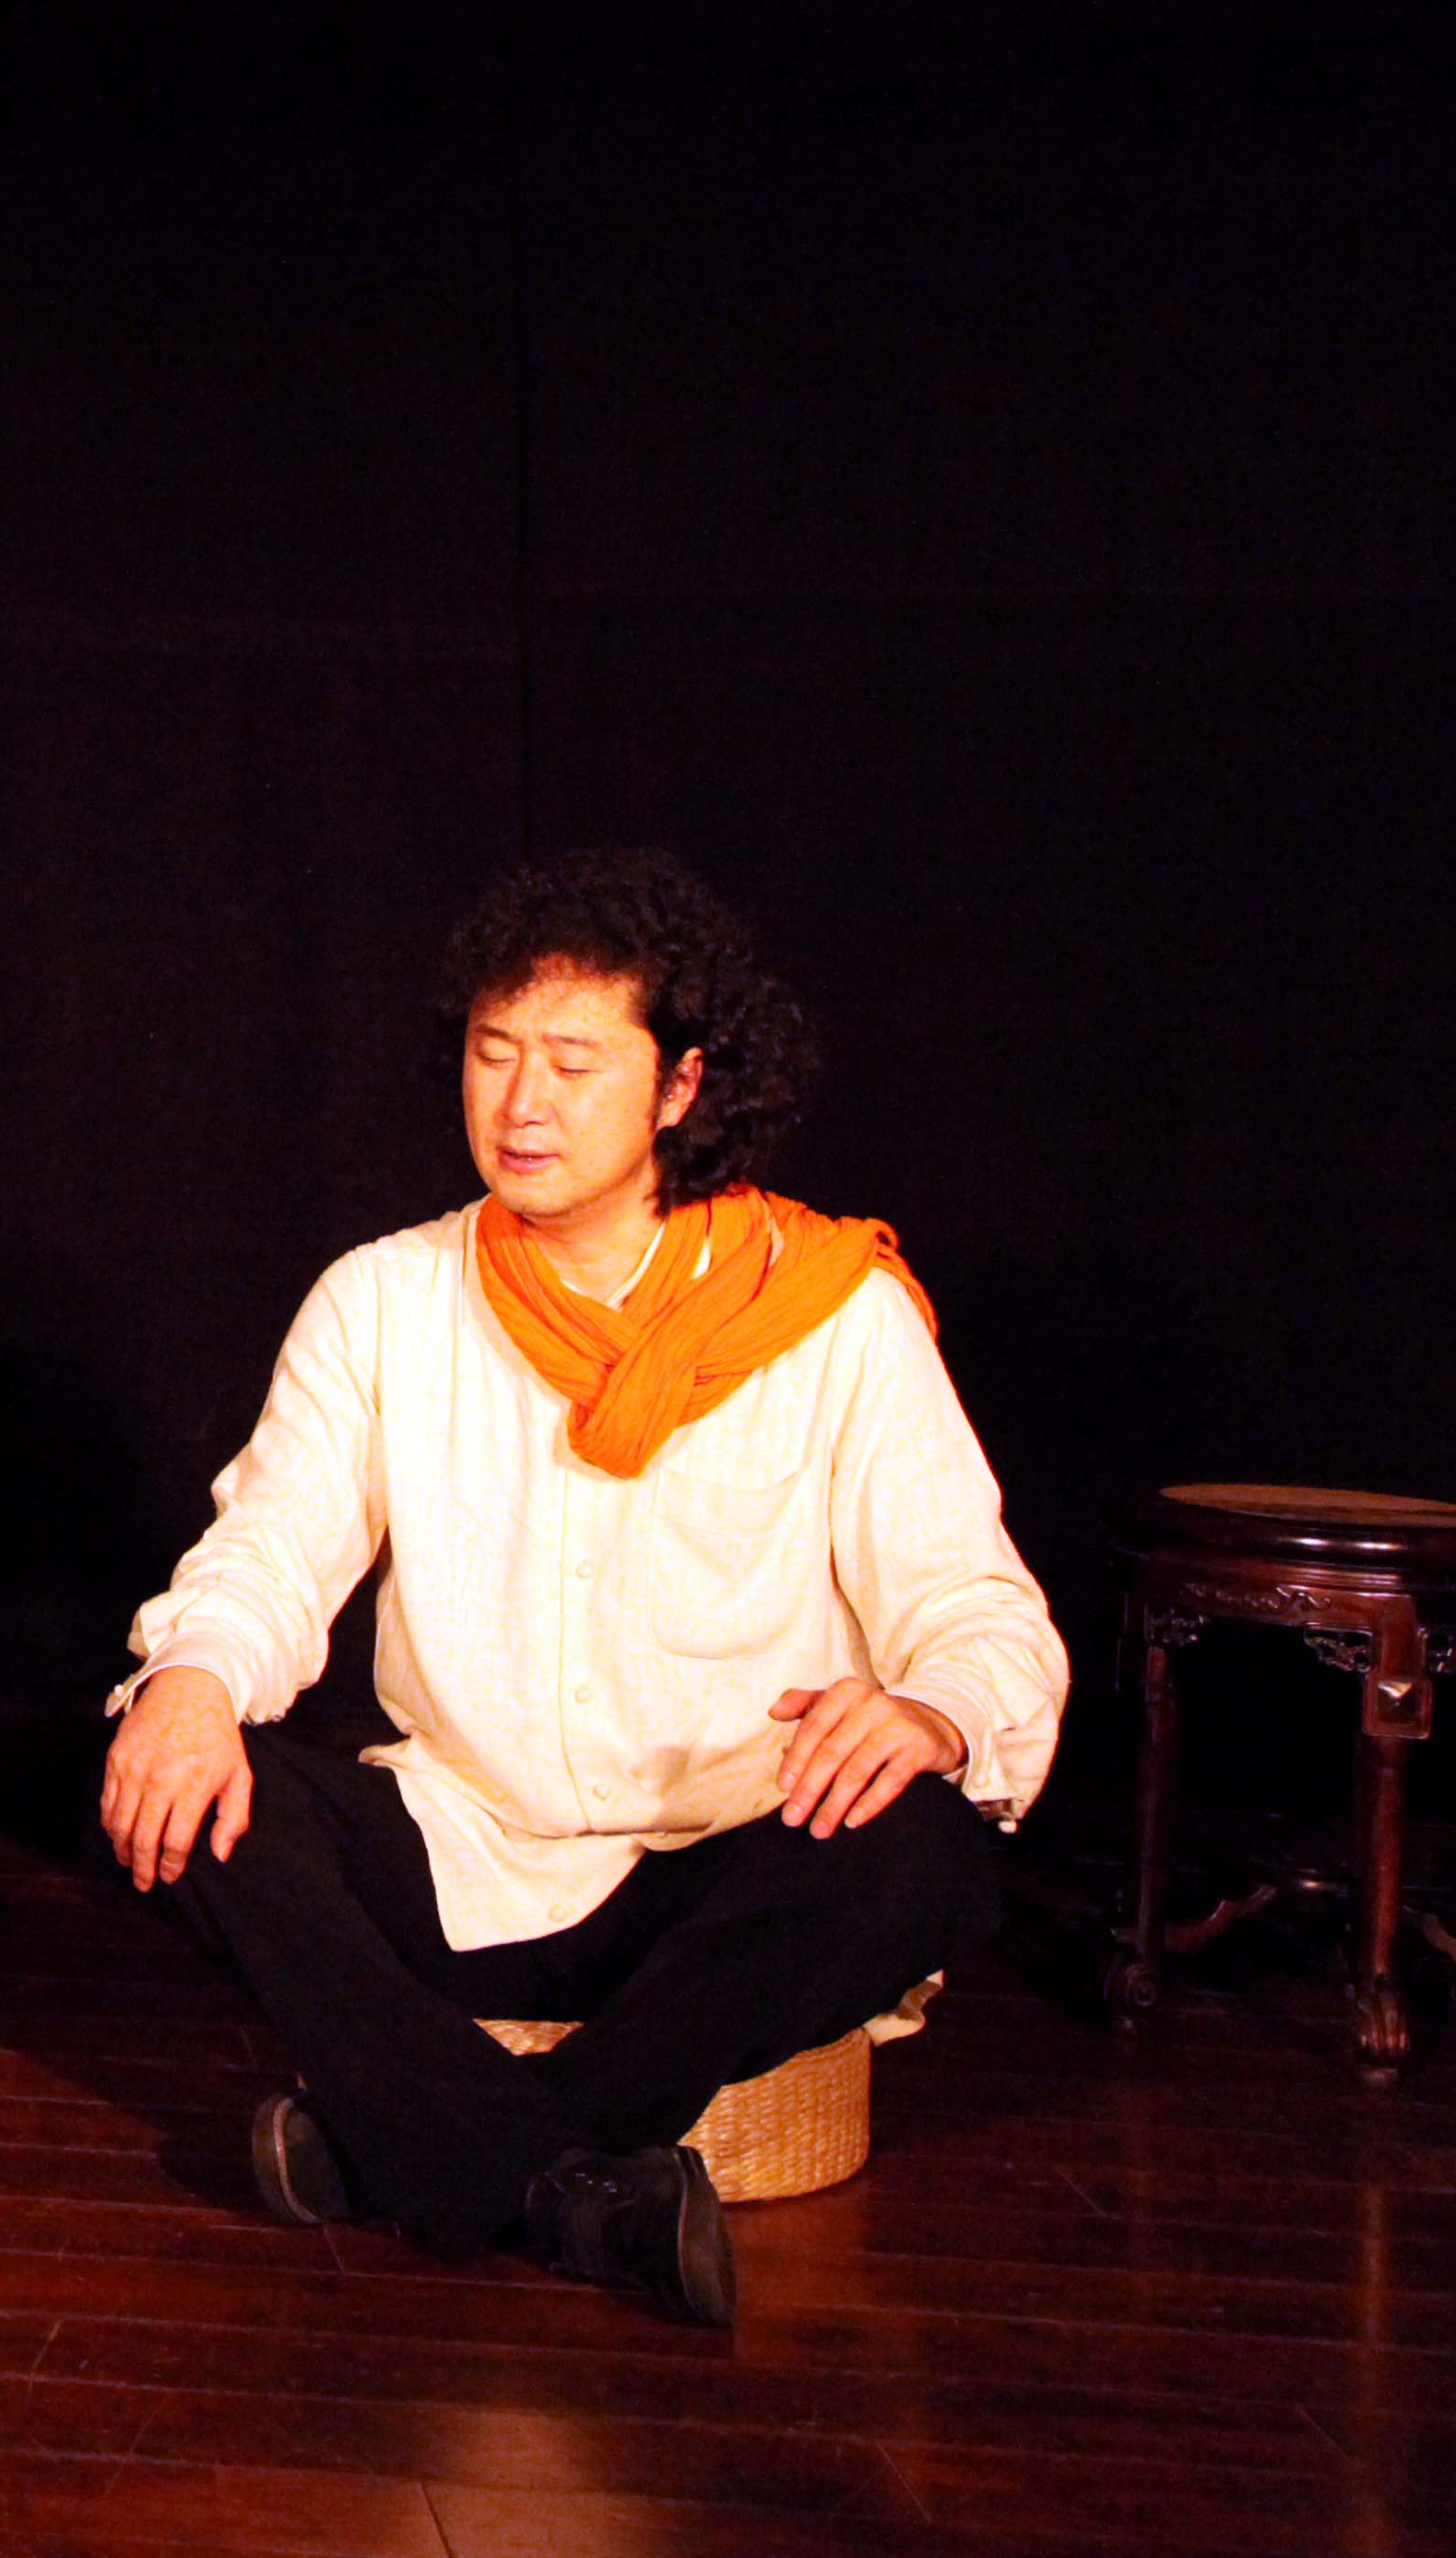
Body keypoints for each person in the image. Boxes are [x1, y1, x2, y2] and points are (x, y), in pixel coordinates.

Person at [97, 847, 1064, 2325]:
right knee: (184, 1780)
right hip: (465, 1846)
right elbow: (269, 1553)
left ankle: (417, 2149)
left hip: (730, 1866)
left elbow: (980, 1614)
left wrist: (931, 1713)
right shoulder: (385, 1299)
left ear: (680, 1084)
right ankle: (573, 2191)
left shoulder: (835, 1315)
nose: (521, 1106)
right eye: (494, 1056)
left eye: (572, 1062)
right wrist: (191, 1682)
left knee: (925, 1844)